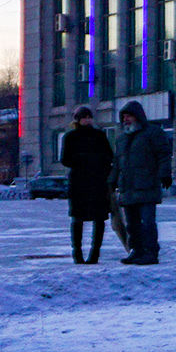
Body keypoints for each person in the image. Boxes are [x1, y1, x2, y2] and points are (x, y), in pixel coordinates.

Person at [110, 101, 172, 265]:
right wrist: (112, 181)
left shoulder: (153, 133)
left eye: (129, 116)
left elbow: (163, 154)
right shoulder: (122, 138)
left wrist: (165, 173)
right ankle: (136, 250)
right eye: (123, 117)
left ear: (138, 116)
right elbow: (117, 163)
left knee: (147, 223)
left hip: (147, 185)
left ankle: (151, 253)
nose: (126, 119)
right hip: (128, 188)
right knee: (132, 225)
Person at [58, 107, 114, 264]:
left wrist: (99, 164)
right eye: (84, 118)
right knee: (77, 218)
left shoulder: (100, 136)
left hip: (98, 183)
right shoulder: (70, 137)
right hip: (78, 184)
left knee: (99, 218)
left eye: (89, 117)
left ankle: (95, 253)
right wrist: (84, 160)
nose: (87, 120)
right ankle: (77, 253)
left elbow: (109, 156)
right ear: (78, 120)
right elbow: (65, 159)